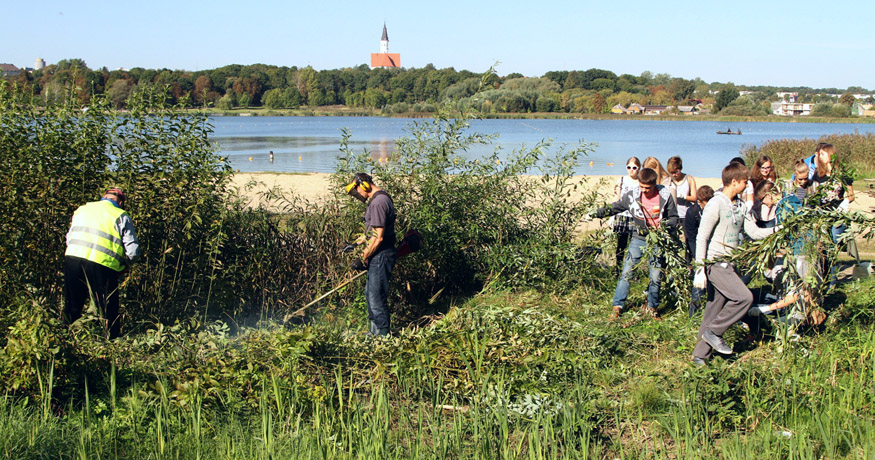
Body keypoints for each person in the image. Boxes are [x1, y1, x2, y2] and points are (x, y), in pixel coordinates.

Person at [691, 163, 778, 365]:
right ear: (734, 182)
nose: (748, 185)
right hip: (715, 264)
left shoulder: (740, 206)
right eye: (745, 182)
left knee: (713, 310)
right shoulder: (715, 203)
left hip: (730, 265)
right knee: (744, 298)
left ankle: (699, 356)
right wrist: (700, 271)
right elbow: (702, 237)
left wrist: (778, 230)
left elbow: (754, 232)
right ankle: (714, 332)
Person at [594, 168, 679, 319]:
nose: (644, 191)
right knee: (627, 272)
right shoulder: (632, 195)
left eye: (648, 188)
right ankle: (617, 306)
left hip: (657, 240)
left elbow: (673, 217)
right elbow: (616, 207)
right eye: (641, 187)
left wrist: (665, 226)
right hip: (638, 238)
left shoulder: (665, 195)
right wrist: (597, 213)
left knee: (656, 275)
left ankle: (652, 308)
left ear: (654, 184)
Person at [64, 188, 141, 338]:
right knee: (107, 307)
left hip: (73, 257)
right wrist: (126, 265)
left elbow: (69, 237)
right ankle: (111, 341)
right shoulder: (120, 215)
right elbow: (133, 251)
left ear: (103, 197)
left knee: (72, 303)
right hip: (102, 265)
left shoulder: (82, 209)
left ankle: (65, 337)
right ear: (120, 202)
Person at [346, 173, 397, 336]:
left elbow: (379, 237)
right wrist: (356, 244)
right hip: (378, 254)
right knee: (370, 293)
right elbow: (373, 231)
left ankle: (383, 336)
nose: (357, 196)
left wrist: (362, 258)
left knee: (376, 295)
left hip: (381, 255)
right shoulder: (380, 199)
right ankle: (373, 332)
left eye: (356, 191)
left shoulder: (378, 202)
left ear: (364, 185)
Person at [684, 185, 714, 317]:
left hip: (713, 248)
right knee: (699, 281)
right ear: (699, 202)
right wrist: (699, 257)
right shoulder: (692, 213)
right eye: (704, 205)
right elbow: (691, 237)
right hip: (696, 246)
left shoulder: (714, 209)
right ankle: (694, 314)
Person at [612, 157, 641, 275]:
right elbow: (616, 198)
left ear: (639, 168)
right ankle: (618, 269)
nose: (631, 170)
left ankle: (632, 271)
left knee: (635, 245)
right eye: (629, 167)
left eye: (634, 168)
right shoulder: (621, 180)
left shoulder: (641, 182)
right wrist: (611, 216)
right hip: (622, 216)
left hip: (635, 217)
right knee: (621, 244)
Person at [666, 156, 697, 230]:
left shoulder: (689, 179)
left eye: (676, 172)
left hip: (686, 215)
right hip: (672, 216)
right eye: (671, 173)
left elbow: (695, 198)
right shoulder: (668, 180)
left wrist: (683, 196)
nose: (674, 175)